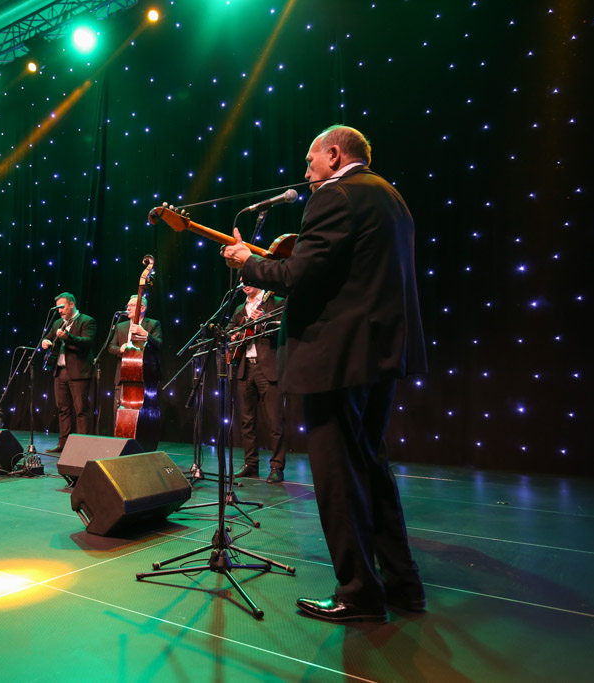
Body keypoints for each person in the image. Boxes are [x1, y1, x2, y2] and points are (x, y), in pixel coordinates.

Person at [221, 125, 427, 624]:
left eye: (311, 162)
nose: (307, 172)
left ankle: (358, 594)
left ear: (334, 154)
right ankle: (402, 585)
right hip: (379, 354)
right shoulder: (390, 197)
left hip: (337, 358)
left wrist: (248, 262)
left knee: (338, 477)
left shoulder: (335, 194)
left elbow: (298, 276)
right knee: (370, 468)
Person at [226, 285, 287, 483]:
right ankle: (251, 464)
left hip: (267, 367)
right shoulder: (239, 309)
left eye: (249, 279)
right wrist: (234, 334)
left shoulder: (276, 302)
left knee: (275, 421)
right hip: (245, 367)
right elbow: (228, 333)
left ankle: (277, 466)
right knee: (247, 421)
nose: (245, 283)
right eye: (242, 280)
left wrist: (264, 320)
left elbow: (285, 330)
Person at [40, 292, 97, 454]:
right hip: (60, 372)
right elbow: (48, 337)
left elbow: (86, 342)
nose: (59, 311)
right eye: (58, 308)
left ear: (72, 304)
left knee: (81, 410)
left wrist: (68, 336)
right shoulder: (58, 322)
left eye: (62, 307)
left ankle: (82, 445)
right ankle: (63, 444)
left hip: (79, 372)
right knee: (63, 409)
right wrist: (46, 341)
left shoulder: (87, 321)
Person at [107, 294, 163, 449]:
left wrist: (145, 334)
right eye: (128, 305)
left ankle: (143, 445)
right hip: (123, 376)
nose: (127, 308)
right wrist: (120, 349)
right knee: (120, 413)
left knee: (143, 415)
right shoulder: (121, 326)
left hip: (145, 377)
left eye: (131, 305)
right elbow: (110, 347)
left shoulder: (153, 324)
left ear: (142, 308)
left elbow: (159, 344)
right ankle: (119, 446)